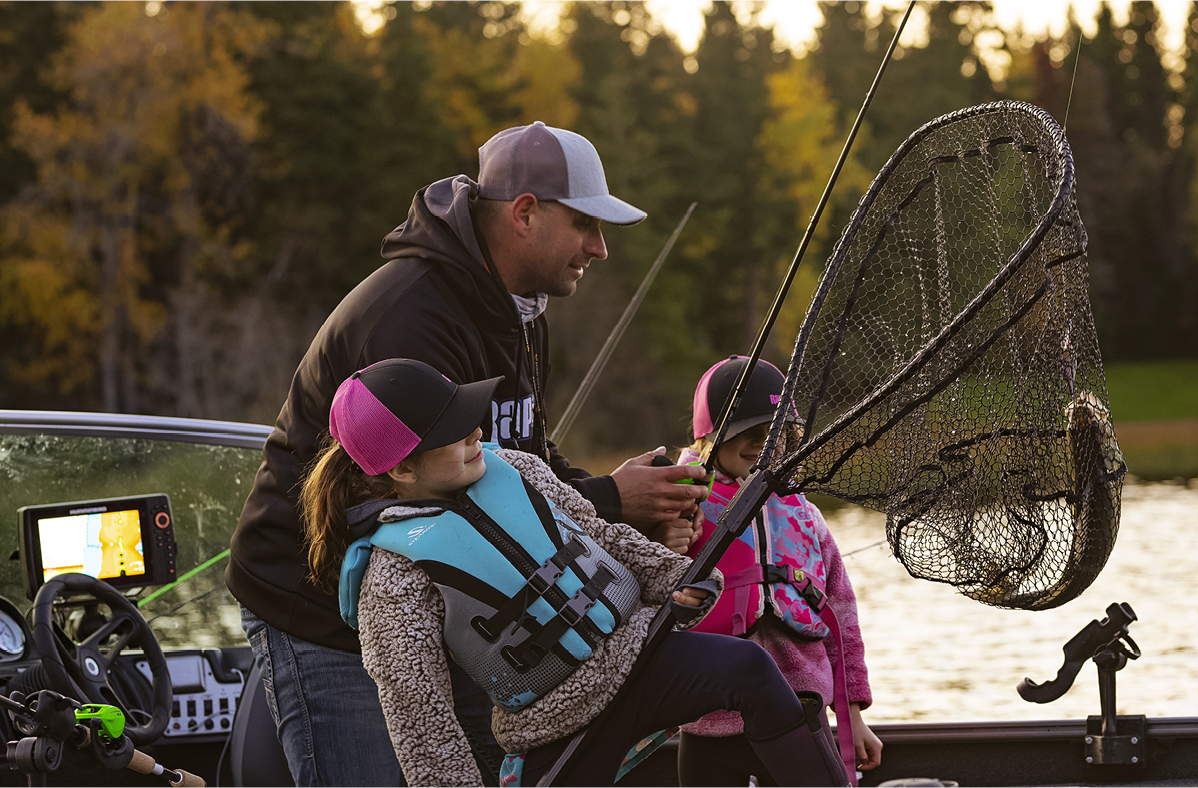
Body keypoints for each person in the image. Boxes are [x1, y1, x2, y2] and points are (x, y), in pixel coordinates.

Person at [227, 122, 707, 785]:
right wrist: (611, 499)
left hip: (446, 599)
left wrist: (630, 507)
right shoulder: (412, 320)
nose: (599, 249)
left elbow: (520, 452)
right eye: (585, 225)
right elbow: (436, 495)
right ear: (526, 213)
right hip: (322, 606)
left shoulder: (519, 311)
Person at [302, 358, 850, 787]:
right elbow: (421, 721)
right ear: (402, 467)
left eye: (467, 412)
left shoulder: (514, 467)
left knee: (751, 670)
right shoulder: (391, 574)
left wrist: (673, 578)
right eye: (453, 428)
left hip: (641, 653)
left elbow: (599, 534)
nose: (474, 429)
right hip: (554, 724)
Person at [675, 356, 883, 786]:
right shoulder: (680, 507)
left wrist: (853, 716)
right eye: (744, 432)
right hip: (706, 722)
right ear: (708, 438)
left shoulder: (805, 516)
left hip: (798, 715)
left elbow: (842, 617)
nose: (760, 443)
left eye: (773, 431)